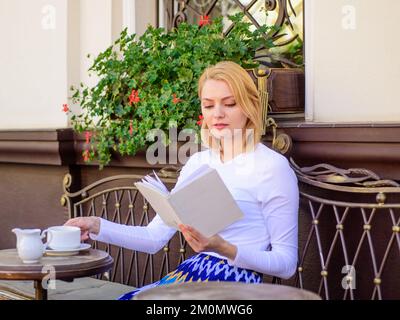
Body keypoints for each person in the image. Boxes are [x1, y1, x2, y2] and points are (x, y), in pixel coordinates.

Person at [65, 61, 299, 300]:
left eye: (229, 104)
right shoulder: (198, 163)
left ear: (250, 106)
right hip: (191, 275)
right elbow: (154, 238)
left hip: (235, 286)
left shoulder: (271, 167)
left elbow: (286, 263)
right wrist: (95, 225)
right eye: (208, 105)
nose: (217, 114)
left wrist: (223, 248)